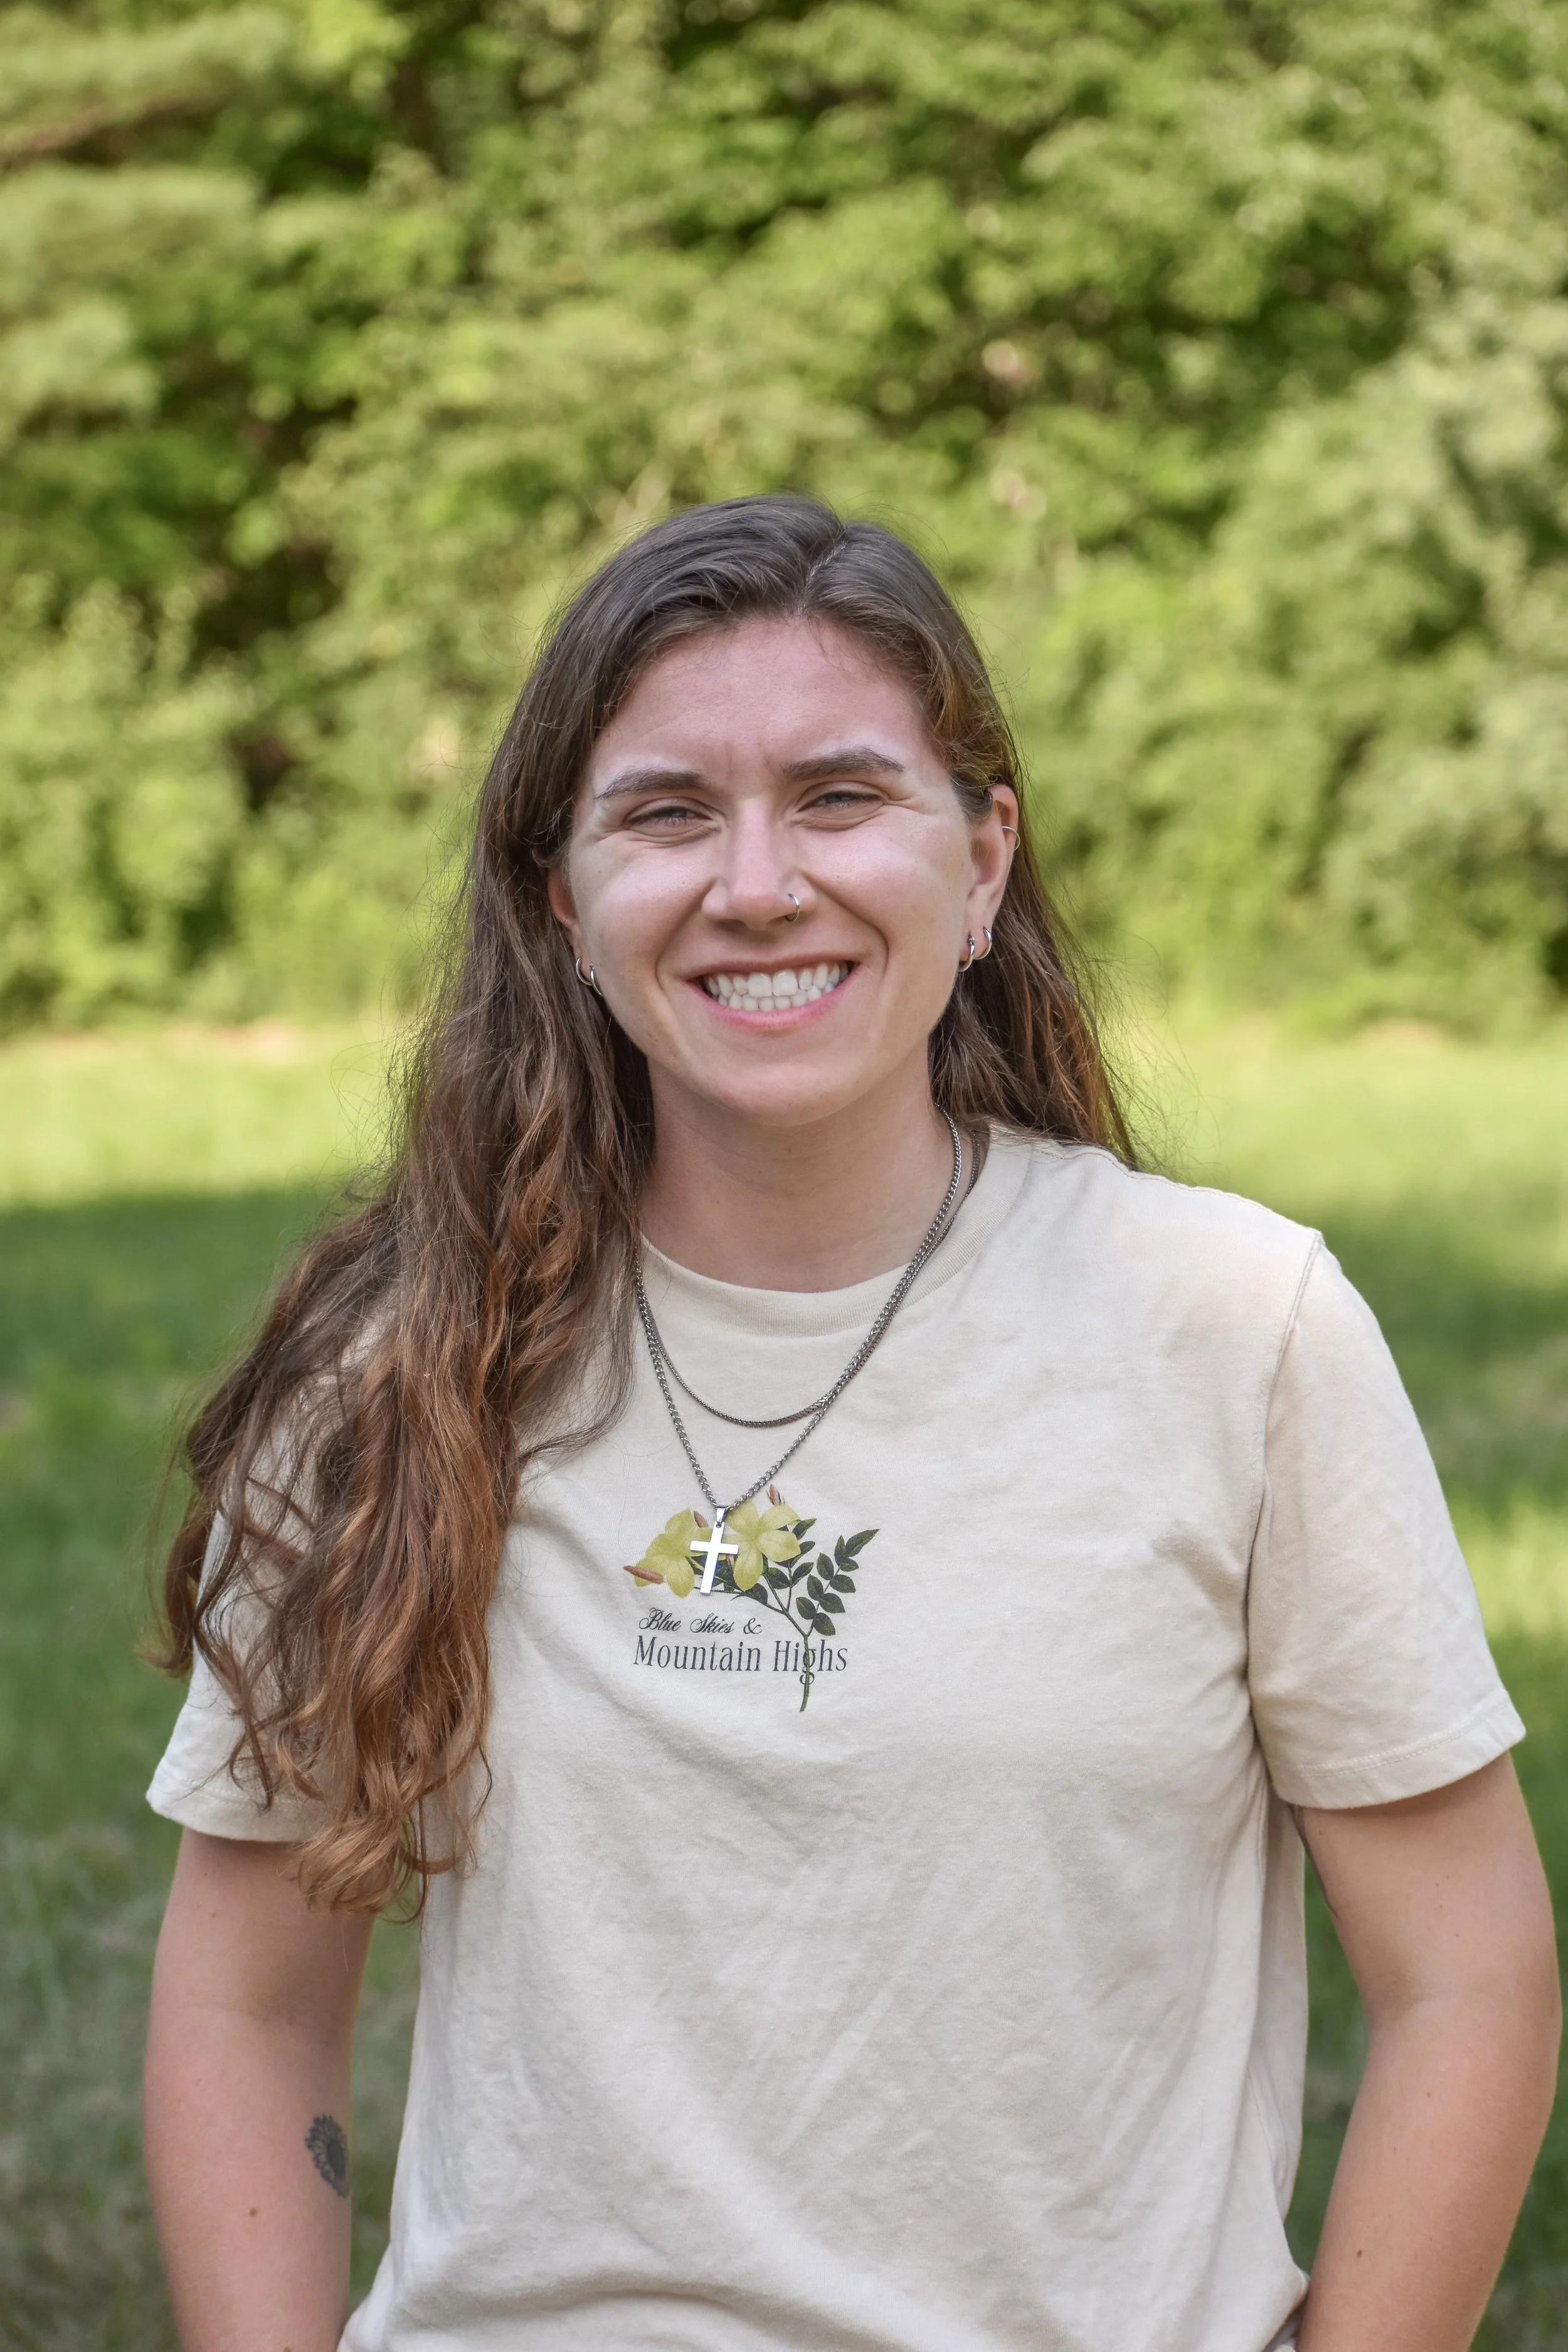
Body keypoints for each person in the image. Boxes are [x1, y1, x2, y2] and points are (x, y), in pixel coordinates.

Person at [143, 494, 1559, 2352]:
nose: (754, 884)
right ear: (563, 901)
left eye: (836, 796)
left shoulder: (1229, 1325)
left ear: (981, 866)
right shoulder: (402, 1364)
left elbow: (1467, 1971)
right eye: (666, 812)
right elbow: (246, 2002)